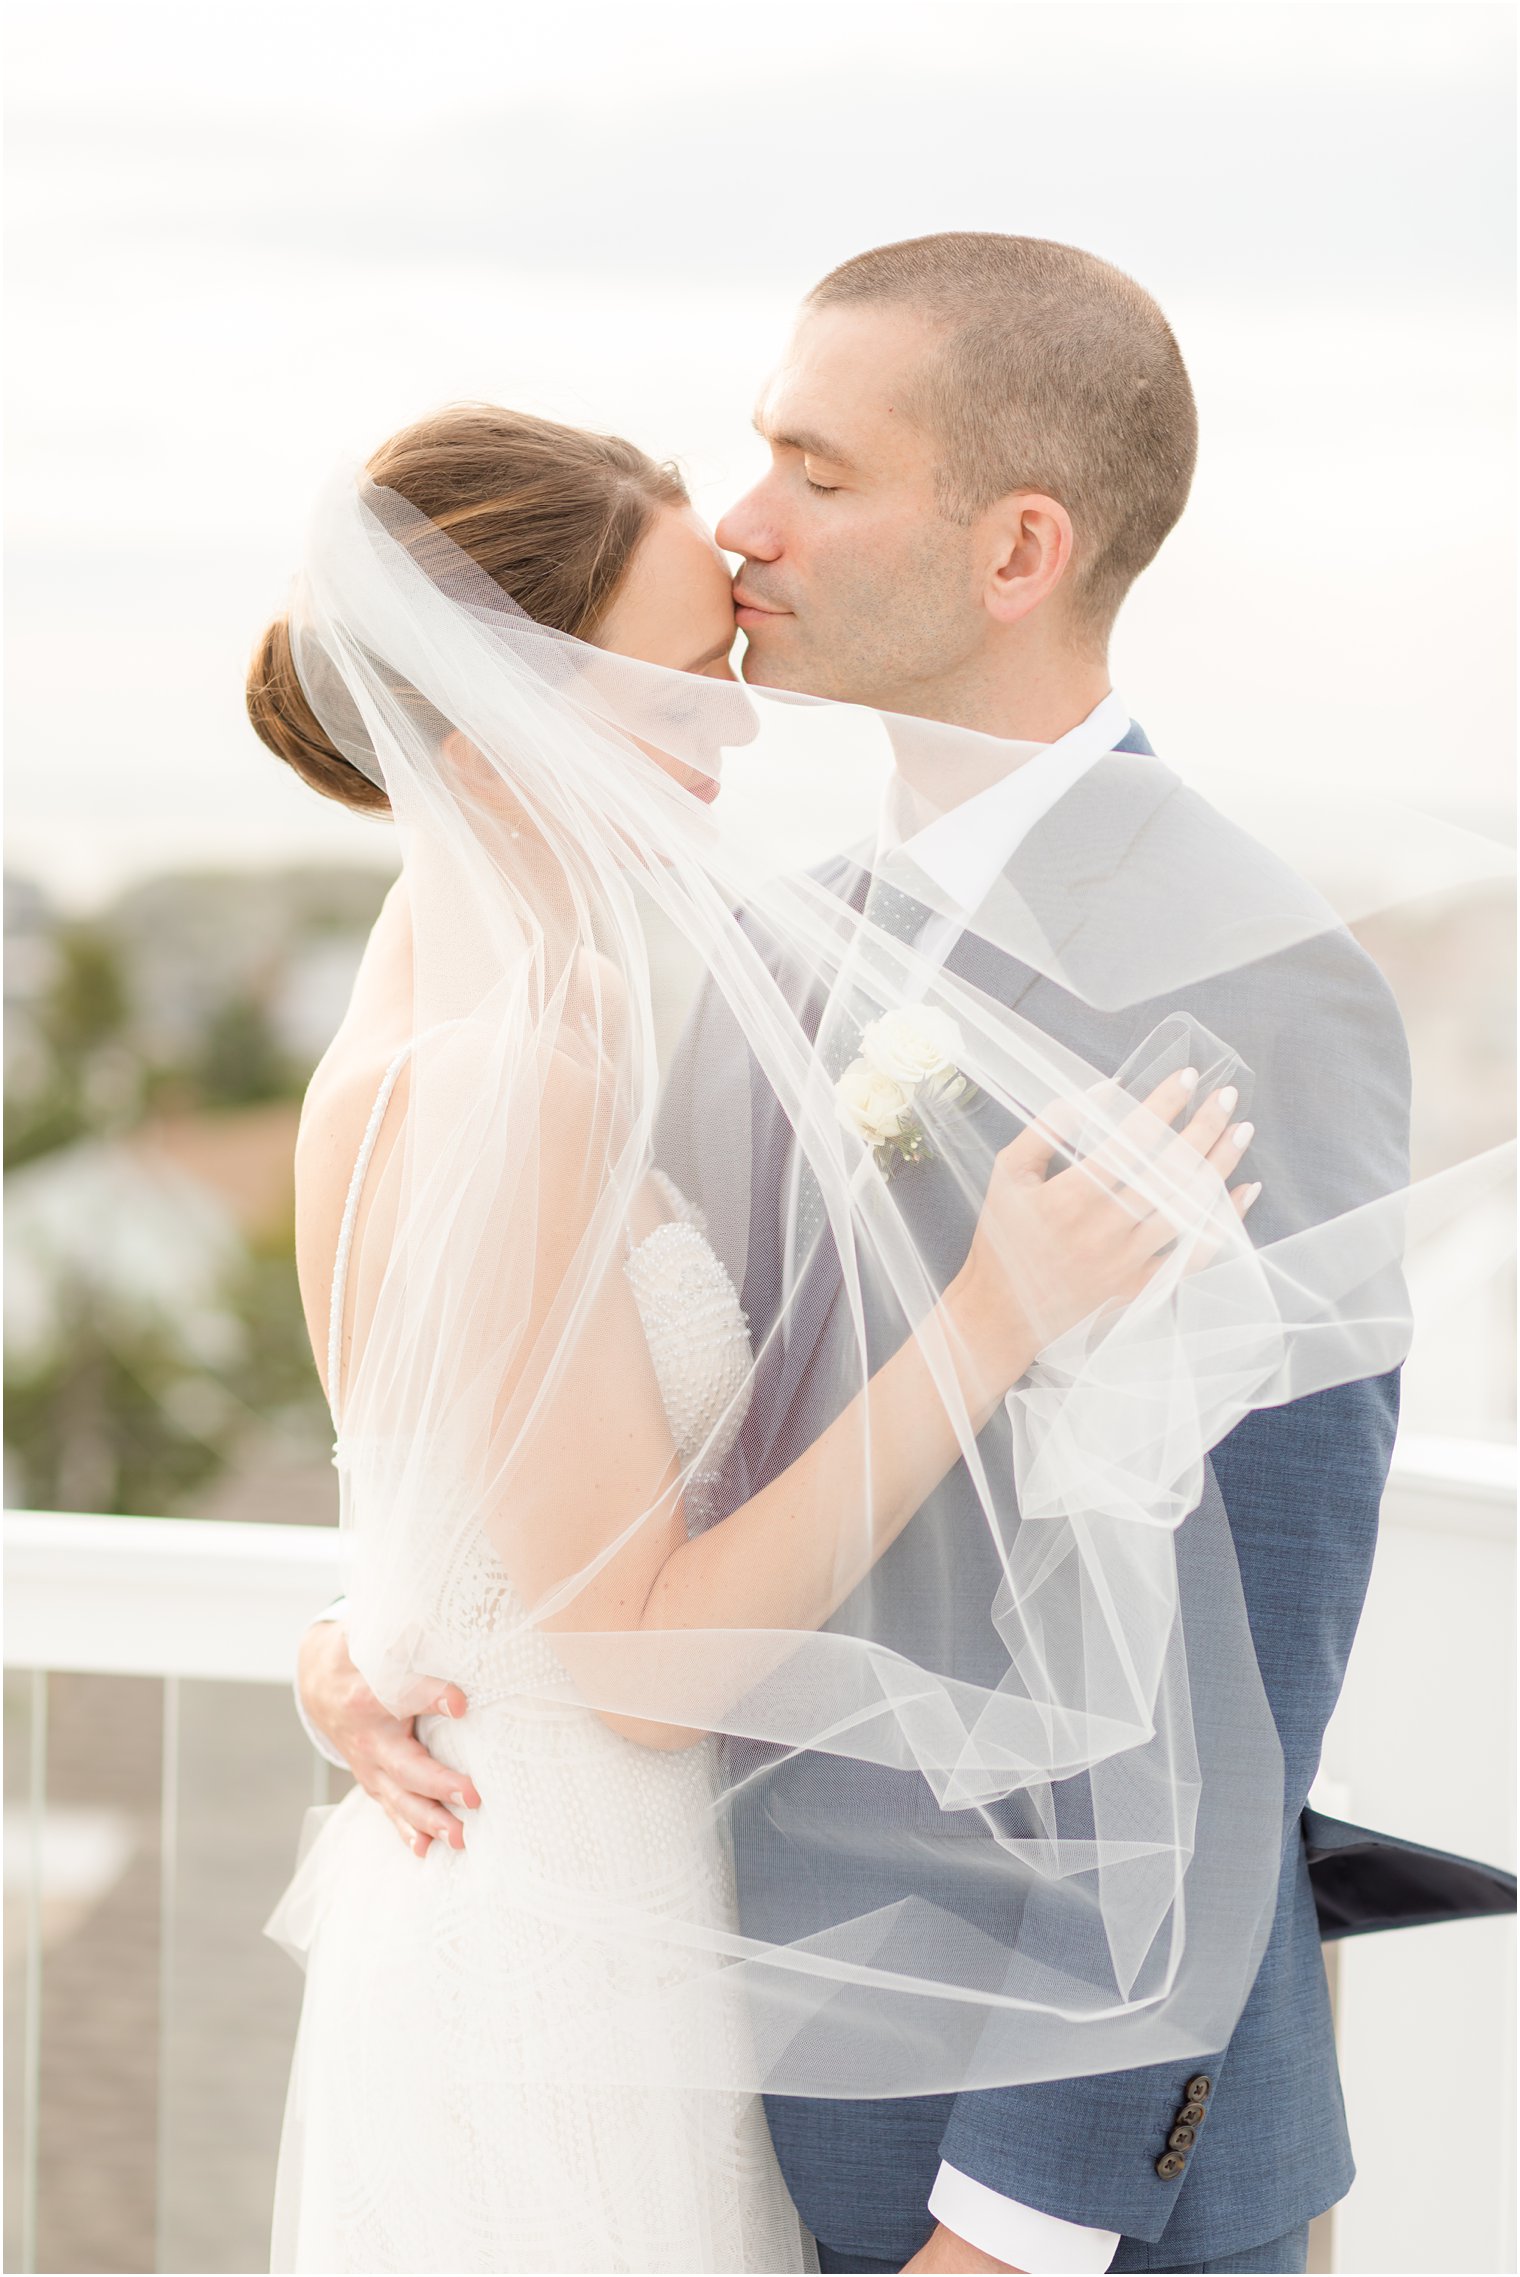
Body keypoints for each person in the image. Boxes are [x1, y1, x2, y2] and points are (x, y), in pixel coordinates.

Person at [287, 238, 1433, 2276]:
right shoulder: (765, 955)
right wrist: (389, 1638)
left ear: (1013, 548)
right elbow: (578, 1406)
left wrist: (1013, 2228)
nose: (743, 527)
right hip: (704, 2092)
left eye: (816, 470)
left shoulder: (1258, 987)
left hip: (1046, 2199)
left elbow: (1234, 1688)